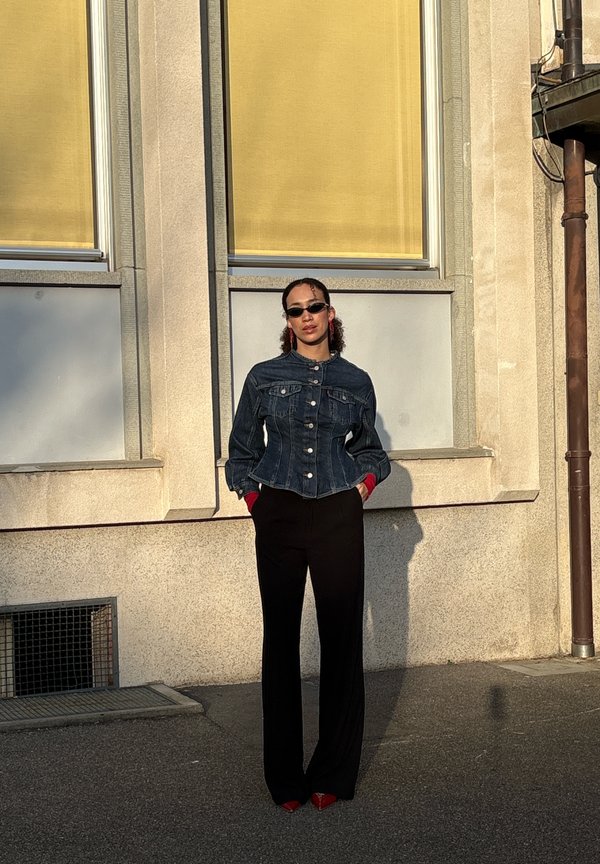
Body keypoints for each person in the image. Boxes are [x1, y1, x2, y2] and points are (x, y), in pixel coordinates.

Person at [225, 277, 391, 812]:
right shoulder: (264, 377)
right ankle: (286, 781)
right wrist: (256, 501)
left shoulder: (356, 380)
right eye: (295, 311)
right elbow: (241, 452)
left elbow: (371, 451)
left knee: (342, 641)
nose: (306, 317)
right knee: (281, 642)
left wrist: (360, 489)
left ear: (330, 312)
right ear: (287, 321)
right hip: (279, 512)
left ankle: (332, 774)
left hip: (338, 512)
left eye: (314, 307)